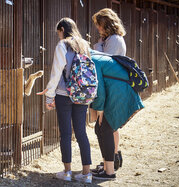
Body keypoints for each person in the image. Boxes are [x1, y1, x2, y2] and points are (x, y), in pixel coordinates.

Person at [37, 17, 92, 183]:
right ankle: (86, 174)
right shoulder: (84, 44)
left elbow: (56, 73)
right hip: (82, 94)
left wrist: (49, 96)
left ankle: (67, 172)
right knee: (81, 132)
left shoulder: (63, 45)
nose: (58, 36)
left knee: (66, 133)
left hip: (64, 93)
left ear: (62, 29)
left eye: (58, 32)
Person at [89, 48, 144, 180]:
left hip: (120, 94)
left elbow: (99, 89)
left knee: (106, 129)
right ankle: (106, 168)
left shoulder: (93, 61)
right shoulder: (97, 56)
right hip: (117, 92)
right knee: (100, 128)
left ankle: (110, 173)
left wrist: (100, 110)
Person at [91, 8, 127, 172]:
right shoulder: (110, 39)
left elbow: (104, 60)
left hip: (111, 85)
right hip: (109, 84)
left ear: (107, 23)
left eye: (99, 25)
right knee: (108, 125)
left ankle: (111, 160)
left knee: (106, 126)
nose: (98, 28)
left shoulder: (114, 39)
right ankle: (112, 158)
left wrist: (97, 45)